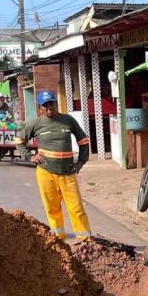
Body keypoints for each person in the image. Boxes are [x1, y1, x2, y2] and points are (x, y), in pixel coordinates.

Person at [14, 90, 93, 241]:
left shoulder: (68, 120)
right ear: (40, 108)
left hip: (67, 172)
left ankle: (85, 240)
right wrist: (29, 157)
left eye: (52, 103)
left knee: (76, 208)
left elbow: (83, 140)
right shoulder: (35, 124)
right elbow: (19, 141)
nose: (50, 107)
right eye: (46, 105)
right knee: (52, 208)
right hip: (46, 173)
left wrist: (81, 161)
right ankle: (58, 237)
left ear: (56, 104)